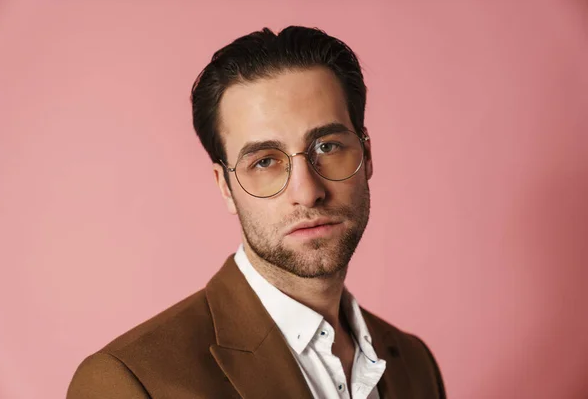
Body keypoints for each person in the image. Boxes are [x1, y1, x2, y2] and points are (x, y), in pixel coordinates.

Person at [67, 26, 446, 399]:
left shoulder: (415, 364)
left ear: (367, 156)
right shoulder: (129, 383)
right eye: (265, 161)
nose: (307, 192)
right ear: (225, 187)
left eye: (328, 147)